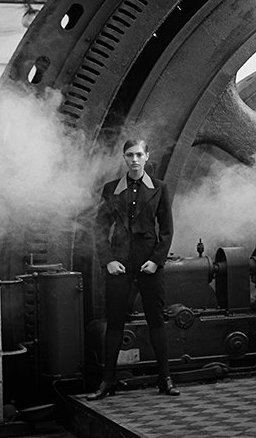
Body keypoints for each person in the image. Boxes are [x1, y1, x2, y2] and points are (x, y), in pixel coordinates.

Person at [87, 139, 180, 400]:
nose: (135, 159)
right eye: (130, 155)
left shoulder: (160, 188)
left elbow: (167, 229)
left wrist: (156, 261)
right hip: (120, 263)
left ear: (147, 156)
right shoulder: (110, 189)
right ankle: (108, 382)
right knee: (114, 324)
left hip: (149, 263)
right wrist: (108, 261)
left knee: (156, 322)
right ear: (124, 158)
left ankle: (166, 380)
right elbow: (100, 229)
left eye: (139, 154)